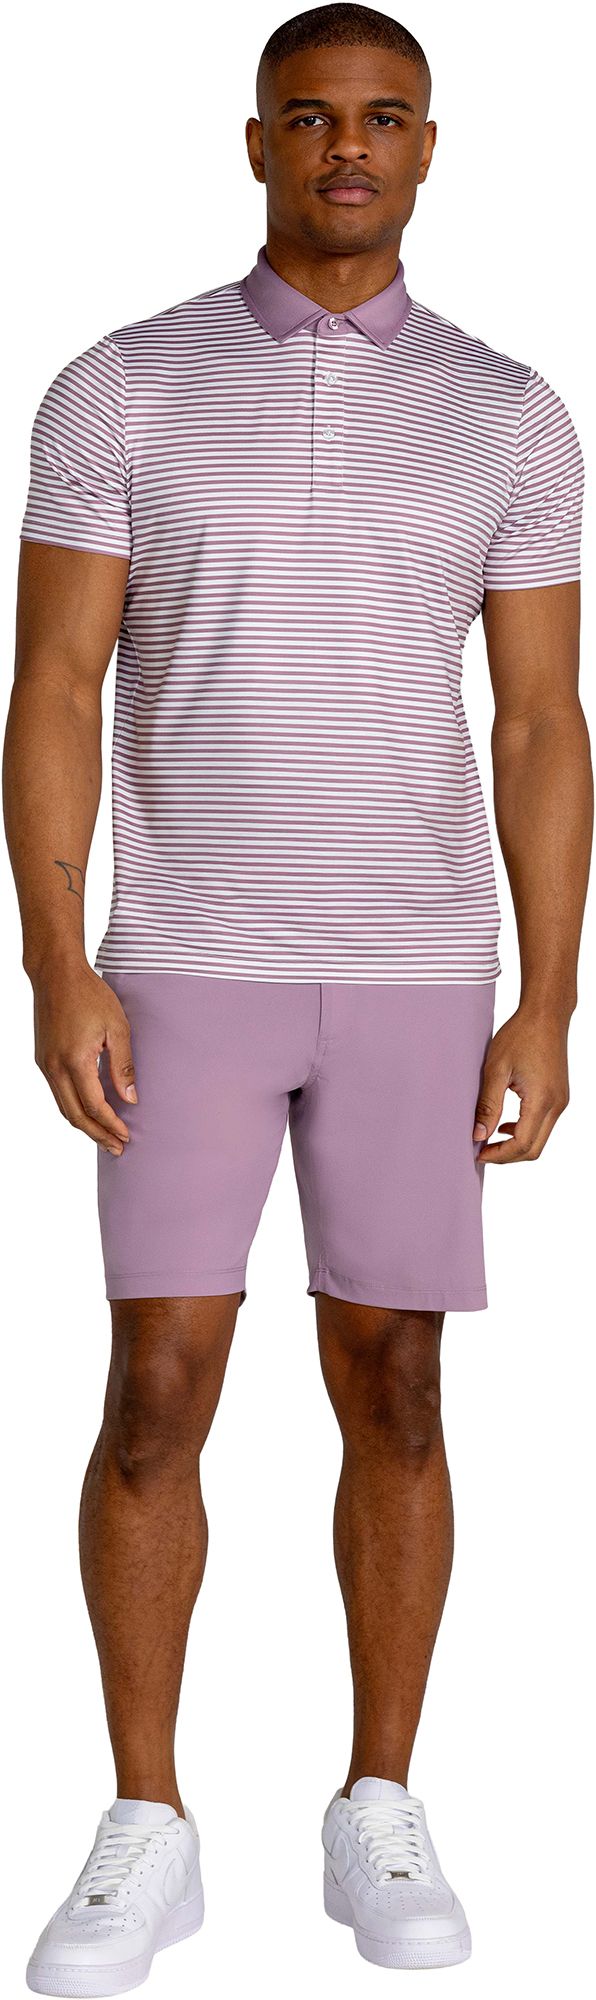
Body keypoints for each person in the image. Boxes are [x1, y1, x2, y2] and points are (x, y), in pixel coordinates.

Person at [4, 3, 592, 1989]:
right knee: (156, 1392)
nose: (349, 145)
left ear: (429, 146)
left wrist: (548, 997)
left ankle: (379, 1803)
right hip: (184, 962)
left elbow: (538, 719)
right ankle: (146, 1824)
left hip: (417, 965)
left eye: (384, 116)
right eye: (313, 116)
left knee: (398, 1387)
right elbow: (54, 685)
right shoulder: (119, 385)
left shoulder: (512, 412)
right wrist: (57, 955)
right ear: (255, 140)